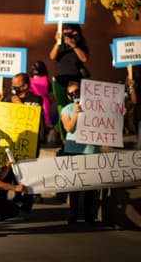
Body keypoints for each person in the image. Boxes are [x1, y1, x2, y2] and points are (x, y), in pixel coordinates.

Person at [0, 73, 43, 214]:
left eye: (16, 85)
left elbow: (34, 118)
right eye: (12, 85)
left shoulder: (36, 99)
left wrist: (19, 105)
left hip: (29, 146)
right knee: (7, 174)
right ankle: (1, 207)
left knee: (28, 175)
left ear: (25, 86)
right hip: (11, 145)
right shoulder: (8, 99)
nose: (13, 88)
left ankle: (27, 205)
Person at [60, 82, 100, 225]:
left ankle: (89, 216)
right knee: (75, 186)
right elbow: (68, 128)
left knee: (90, 185)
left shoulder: (94, 107)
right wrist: (76, 113)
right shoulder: (67, 109)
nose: (74, 95)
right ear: (68, 96)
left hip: (90, 150)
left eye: (76, 91)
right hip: (74, 150)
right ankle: (74, 215)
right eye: (71, 93)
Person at [49, 24, 89, 140]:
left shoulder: (81, 45)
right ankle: (63, 138)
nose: (67, 35)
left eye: (70, 33)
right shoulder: (60, 44)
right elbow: (52, 56)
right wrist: (57, 42)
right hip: (59, 81)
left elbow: (84, 59)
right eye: (65, 33)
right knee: (62, 108)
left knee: (76, 106)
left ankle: (78, 136)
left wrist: (74, 45)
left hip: (74, 81)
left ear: (76, 33)